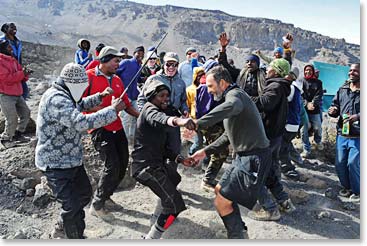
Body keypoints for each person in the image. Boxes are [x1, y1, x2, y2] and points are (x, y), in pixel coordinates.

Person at [35, 62, 126, 239]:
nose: (83, 89)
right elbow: (80, 122)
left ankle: (63, 228)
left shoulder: (66, 93)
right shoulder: (57, 99)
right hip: (55, 163)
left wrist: (100, 96)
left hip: (71, 160)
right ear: (71, 83)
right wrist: (112, 110)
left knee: (84, 194)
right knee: (72, 206)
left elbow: (80, 103)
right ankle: (73, 236)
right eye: (81, 86)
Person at [189, 66, 272, 239]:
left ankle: (237, 236)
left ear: (223, 82)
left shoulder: (234, 97)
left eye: (211, 86)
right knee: (219, 191)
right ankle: (239, 231)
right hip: (243, 157)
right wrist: (204, 151)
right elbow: (228, 135)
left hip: (253, 158)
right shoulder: (233, 96)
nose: (209, 90)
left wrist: (197, 124)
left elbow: (233, 105)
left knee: (222, 201)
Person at [132, 80, 196, 239]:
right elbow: (161, 118)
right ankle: (152, 238)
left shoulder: (161, 110)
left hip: (156, 164)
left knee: (174, 178)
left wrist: (181, 159)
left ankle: (157, 217)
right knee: (175, 205)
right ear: (152, 97)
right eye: (161, 96)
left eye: (167, 95)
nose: (166, 99)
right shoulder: (149, 110)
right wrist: (181, 122)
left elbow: (163, 148)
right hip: (145, 167)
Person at [83, 46, 140, 222]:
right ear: (105, 60)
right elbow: (80, 104)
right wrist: (108, 109)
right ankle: (97, 204)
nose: (119, 64)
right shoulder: (89, 76)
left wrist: (143, 118)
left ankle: (106, 195)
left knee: (123, 163)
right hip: (99, 128)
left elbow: (127, 104)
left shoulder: (117, 80)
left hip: (117, 125)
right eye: (116, 60)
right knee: (112, 165)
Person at [248, 58, 295, 221]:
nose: (267, 69)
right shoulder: (281, 86)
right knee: (268, 171)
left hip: (266, 137)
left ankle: (270, 209)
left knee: (254, 171)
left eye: (270, 67)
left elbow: (263, 103)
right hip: (274, 137)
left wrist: (244, 97)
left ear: (275, 71)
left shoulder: (275, 86)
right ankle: (284, 201)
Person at [137, 52, 189, 171]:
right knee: (157, 151)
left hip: (173, 121)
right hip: (157, 119)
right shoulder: (153, 79)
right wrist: (146, 116)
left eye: (174, 65)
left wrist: (185, 110)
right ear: (163, 64)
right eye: (168, 64)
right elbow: (141, 100)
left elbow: (183, 101)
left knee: (175, 151)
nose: (171, 67)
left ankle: (171, 181)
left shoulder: (181, 82)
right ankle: (158, 179)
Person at [328, 63, 360, 202]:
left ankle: (358, 191)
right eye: (350, 70)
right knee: (340, 163)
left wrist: (358, 117)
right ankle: (347, 188)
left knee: (353, 163)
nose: (352, 73)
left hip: (359, 136)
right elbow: (336, 104)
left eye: (356, 71)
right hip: (342, 133)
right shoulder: (343, 89)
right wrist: (333, 110)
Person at [0, 39, 31, 149]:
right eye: (8, 47)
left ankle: (18, 134)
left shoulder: (13, 60)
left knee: (26, 113)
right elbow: (7, 78)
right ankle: (6, 139)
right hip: (6, 94)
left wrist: (26, 73)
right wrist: (22, 73)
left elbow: (20, 75)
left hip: (17, 93)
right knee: (11, 118)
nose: (11, 48)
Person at [218, 32, 266, 97]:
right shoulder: (239, 74)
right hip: (242, 102)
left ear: (257, 63)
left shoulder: (264, 76)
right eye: (247, 61)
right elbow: (225, 65)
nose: (249, 63)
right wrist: (223, 49)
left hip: (257, 105)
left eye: (252, 61)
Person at [116, 45, 145, 144]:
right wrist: (118, 87)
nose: (140, 55)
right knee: (125, 118)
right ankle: (123, 139)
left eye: (142, 54)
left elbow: (137, 79)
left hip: (134, 96)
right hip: (125, 95)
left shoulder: (140, 66)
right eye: (138, 53)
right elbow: (115, 74)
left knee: (135, 117)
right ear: (134, 54)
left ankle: (132, 139)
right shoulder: (126, 62)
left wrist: (143, 79)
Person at [279, 67, 303, 179]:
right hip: (293, 124)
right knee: (286, 145)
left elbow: (285, 100)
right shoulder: (297, 88)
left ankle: (289, 170)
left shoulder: (291, 88)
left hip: (288, 123)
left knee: (282, 148)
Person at [300, 64, 324, 158]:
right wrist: (307, 104)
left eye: (310, 70)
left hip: (315, 109)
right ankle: (306, 149)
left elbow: (319, 94)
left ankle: (317, 140)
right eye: (306, 70)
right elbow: (301, 95)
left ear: (313, 71)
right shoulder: (301, 81)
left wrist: (313, 103)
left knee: (318, 126)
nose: (308, 72)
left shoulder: (318, 82)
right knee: (303, 130)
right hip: (304, 110)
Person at [1, 22, 29, 99]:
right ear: (6, 30)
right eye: (11, 27)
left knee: (24, 91)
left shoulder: (18, 41)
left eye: (15, 27)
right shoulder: (2, 41)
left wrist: (21, 67)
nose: (14, 29)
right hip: (6, 69)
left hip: (17, 68)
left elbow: (19, 56)